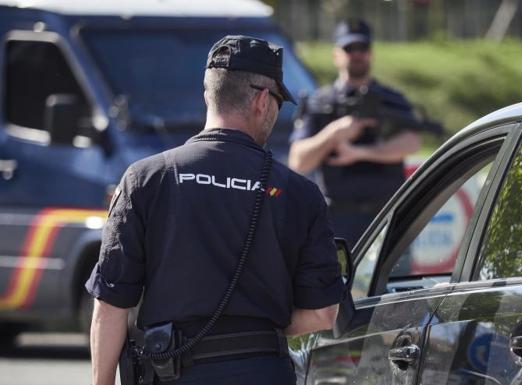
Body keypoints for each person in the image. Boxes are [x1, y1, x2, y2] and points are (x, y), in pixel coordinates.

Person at [86, 35, 345, 385]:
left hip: (173, 372)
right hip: (262, 372)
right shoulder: (299, 193)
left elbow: (111, 304)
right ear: (262, 101)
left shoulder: (145, 179)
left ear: (209, 94)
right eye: (279, 103)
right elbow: (323, 312)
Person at [288, 19, 421, 247]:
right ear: (336, 55)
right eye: (349, 49)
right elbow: (297, 161)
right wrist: (333, 133)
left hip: (387, 216)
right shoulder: (319, 102)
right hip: (337, 220)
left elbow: (412, 142)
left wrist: (360, 152)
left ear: (371, 53)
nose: (357, 54)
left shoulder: (391, 99)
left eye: (363, 48)